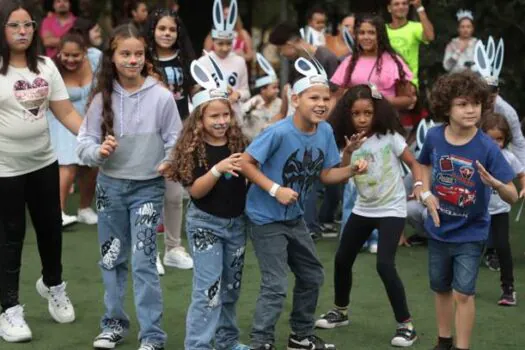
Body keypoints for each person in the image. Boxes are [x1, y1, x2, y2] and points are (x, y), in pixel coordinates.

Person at [240, 56, 368, 350]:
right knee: (275, 284)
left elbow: (325, 174)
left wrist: (351, 167)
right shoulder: (278, 131)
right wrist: (275, 190)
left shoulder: (324, 131)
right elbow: (246, 163)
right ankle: (261, 341)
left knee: (312, 274)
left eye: (326, 97)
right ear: (295, 99)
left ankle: (300, 335)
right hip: (266, 217)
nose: (321, 103)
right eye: (314, 97)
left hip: (293, 217)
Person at [76, 23, 181, 350]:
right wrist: (98, 151)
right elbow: (84, 144)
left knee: (143, 261)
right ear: (112, 57)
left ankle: (152, 336)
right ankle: (113, 325)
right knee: (111, 259)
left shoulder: (161, 96)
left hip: (148, 189)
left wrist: (168, 161)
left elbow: (176, 139)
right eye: (125, 54)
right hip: (110, 189)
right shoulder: (100, 99)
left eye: (138, 53)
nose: (132, 60)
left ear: (145, 56)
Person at [0, 0, 82, 343]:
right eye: (14, 25)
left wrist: (94, 138)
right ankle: (9, 309)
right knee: (11, 237)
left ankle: (53, 285)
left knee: (51, 230)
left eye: (28, 25)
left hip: (44, 163)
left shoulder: (46, 66)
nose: (22, 31)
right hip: (5, 169)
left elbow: (65, 112)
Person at [316, 84, 422, 348]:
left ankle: (406, 326)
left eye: (368, 113)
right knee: (342, 259)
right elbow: (342, 171)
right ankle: (340, 311)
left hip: (391, 209)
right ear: (347, 115)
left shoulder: (390, 136)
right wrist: (350, 151)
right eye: (356, 114)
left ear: (378, 113)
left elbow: (415, 164)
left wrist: (419, 186)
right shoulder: (346, 140)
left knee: (384, 264)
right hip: (364, 207)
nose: (362, 119)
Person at [419, 71, 517, 350]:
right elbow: (424, 164)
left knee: (464, 293)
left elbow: (511, 196)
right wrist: (425, 192)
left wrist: (496, 183)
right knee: (440, 287)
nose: (471, 109)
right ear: (446, 106)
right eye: (463, 104)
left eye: (475, 103)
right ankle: (444, 340)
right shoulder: (435, 136)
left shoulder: (487, 146)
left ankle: (462, 346)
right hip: (438, 228)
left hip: (471, 233)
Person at [169, 52, 250, 350]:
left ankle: (227, 341)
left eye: (225, 115)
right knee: (209, 289)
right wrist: (218, 168)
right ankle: (198, 345)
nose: (221, 121)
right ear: (200, 119)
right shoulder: (192, 149)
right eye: (214, 116)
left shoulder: (237, 141)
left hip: (236, 224)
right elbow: (197, 192)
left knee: (231, 288)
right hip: (206, 225)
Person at [144, 7, 195, 272]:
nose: (167, 33)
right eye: (162, 28)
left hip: (179, 132)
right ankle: (148, 250)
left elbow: (196, 91)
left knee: (175, 195)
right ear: (152, 30)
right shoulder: (143, 58)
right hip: (148, 132)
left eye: (172, 29)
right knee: (149, 193)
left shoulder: (186, 58)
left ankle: (173, 248)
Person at [48, 30, 100, 226]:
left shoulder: (96, 59)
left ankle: (84, 208)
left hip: (90, 118)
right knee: (68, 165)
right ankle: (57, 212)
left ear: (85, 52)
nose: (70, 59)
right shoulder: (52, 69)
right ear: (59, 53)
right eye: (66, 55)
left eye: (75, 55)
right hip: (61, 118)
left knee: (91, 164)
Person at [481, 112, 525, 306]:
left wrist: (523, 186)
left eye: (499, 139)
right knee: (471, 247)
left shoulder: (508, 157)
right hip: (478, 211)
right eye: (490, 139)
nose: (496, 143)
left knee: (503, 247)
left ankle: (508, 289)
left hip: (499, 210)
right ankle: (463, 286)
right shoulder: (476, 157)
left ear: (505, 138)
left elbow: (521, 173)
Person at [331, 14, 416, 110]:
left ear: (380, 35)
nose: (366, 37)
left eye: (371, 33)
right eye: (361, 33)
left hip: (384, 120)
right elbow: (336, 97)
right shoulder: (349, 61)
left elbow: (408, 99)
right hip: (353, 120)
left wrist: (380, 100)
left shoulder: (394, 61)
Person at [198, 0, 250, 127]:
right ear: (213, 42)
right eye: (220, 44)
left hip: (234, 116)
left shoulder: (239, 61)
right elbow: (197, 91)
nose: (225, 48)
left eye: (228, 43)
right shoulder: (204, 62)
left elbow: (246, 91)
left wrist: (237, 94)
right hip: (210, 117)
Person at [386, 0, 435, 87]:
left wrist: (419, 8)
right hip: (386, 83)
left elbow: (430, 36)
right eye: (396, 4)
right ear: (389, 8)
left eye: (404, 4)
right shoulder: (382, 29)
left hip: (409, 84)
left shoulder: (415, 27)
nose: (401, 7)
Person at [241, 52, 282, 140]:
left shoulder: (281, 103)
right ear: (263, 89)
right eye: (274, 88)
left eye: (277, 87)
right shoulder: (250, 104)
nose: (277, 91)